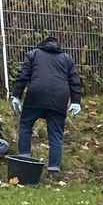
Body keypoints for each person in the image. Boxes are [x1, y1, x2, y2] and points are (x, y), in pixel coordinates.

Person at [12, 33, 82, 172]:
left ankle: (24, 160)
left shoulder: (33, 54)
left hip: (36, 95)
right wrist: (76, 101)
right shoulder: (67, 59)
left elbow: (23, 76)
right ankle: (54, 169)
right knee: (56, 134)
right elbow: (74, 80)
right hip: (59, 98)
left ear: (42, 45)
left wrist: (16, 96)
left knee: (26, 125)